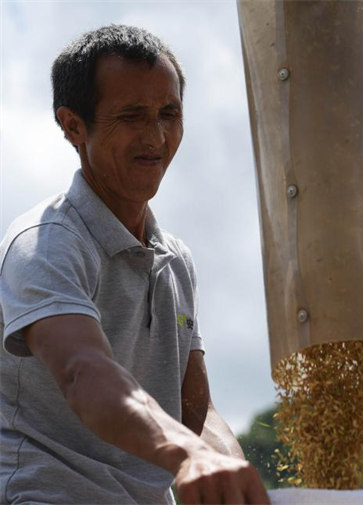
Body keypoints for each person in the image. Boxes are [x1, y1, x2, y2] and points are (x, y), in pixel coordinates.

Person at [0, 25, 269, 505]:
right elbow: (85, 372)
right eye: (132, 116)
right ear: (73, 125)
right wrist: (189, 455)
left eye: (170, 113)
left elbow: (196, 413)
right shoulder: (45, 245)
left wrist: (228, 466)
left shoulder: (175, 261)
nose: (157, 137)